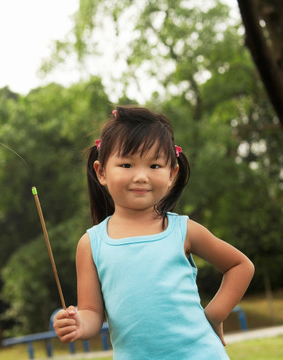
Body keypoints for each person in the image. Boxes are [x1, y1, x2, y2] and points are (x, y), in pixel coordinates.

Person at [53, 107, 254, 359]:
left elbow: (240, 266)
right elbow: (92, 312)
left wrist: (214, 315)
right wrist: (79, 324)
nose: (140, 176)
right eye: (126, 164)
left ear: (172, 173)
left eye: (154, 165)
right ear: (101, 172)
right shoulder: (91, 244)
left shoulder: (182, 230)